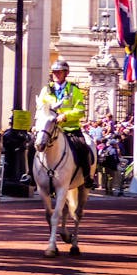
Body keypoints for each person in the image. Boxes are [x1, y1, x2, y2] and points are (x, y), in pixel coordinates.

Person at [35, 57, 94, 188]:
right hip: (49, 129)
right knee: (31, 147)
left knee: (83, 148)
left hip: (69, 129)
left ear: (66, 73)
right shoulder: (46, 90)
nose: (56, 74)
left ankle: (86, 177)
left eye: (59, 72)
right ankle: (30, 176)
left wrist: (65, 116)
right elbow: (40, 108)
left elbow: (80, 111)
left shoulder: (74, 90)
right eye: (54, 72)